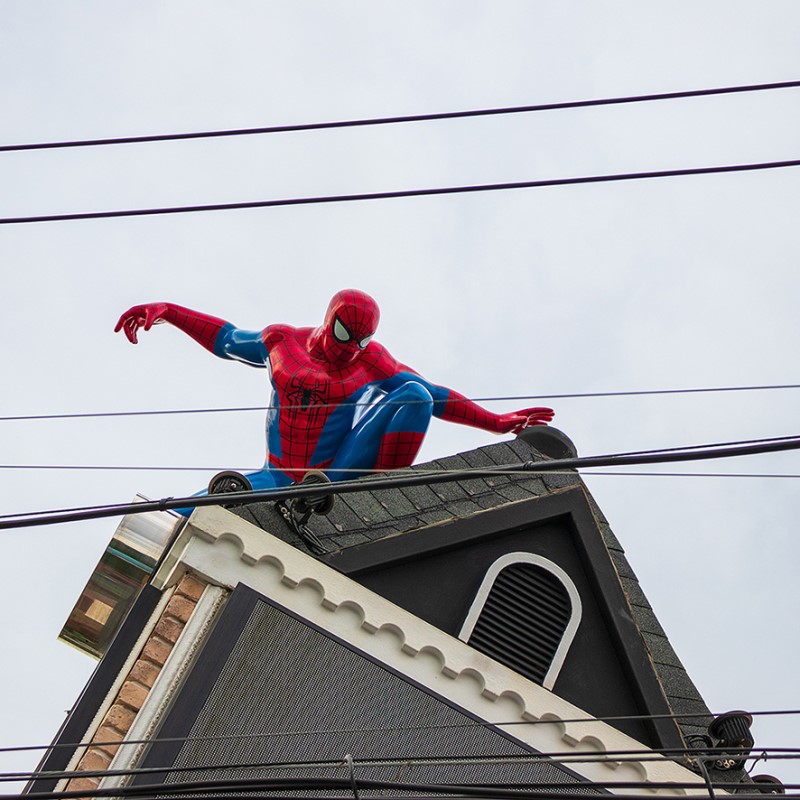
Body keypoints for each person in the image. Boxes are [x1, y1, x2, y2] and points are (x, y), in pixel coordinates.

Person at [115, 289, 553, 494]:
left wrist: (497, 422)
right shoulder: (281, 342)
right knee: (199, 505)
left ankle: (373, 493)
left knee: (414, 394)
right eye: (344, 332)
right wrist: (168, 312)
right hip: (281, 473)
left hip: (338, 470)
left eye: (360, 341)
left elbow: (434, 396)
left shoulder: (371, 360)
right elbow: (228, 339)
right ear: (329, 320)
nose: (349, 348)